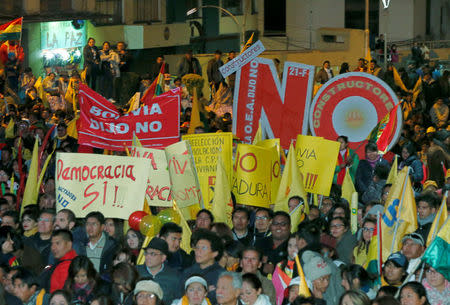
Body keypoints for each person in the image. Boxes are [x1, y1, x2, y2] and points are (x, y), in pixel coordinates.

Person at [183, 230, 225, 304]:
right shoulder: (187, 273)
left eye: (204, 248)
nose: (198, 251)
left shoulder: (223, 276)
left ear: (215, 253)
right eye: (197, 247)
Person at [136, 237, 180, 305]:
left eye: (153, 254)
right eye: (146, 253)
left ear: (163, 258)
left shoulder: (174, 277)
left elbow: (178, 300)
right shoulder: (136, 271)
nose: (148, 257)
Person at [85, 211, 118, 280]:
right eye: (88, 224)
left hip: (103, 284)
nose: (90, 227)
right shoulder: (80, 243)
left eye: (94, 224)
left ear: (102, 227)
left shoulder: (111, 245)